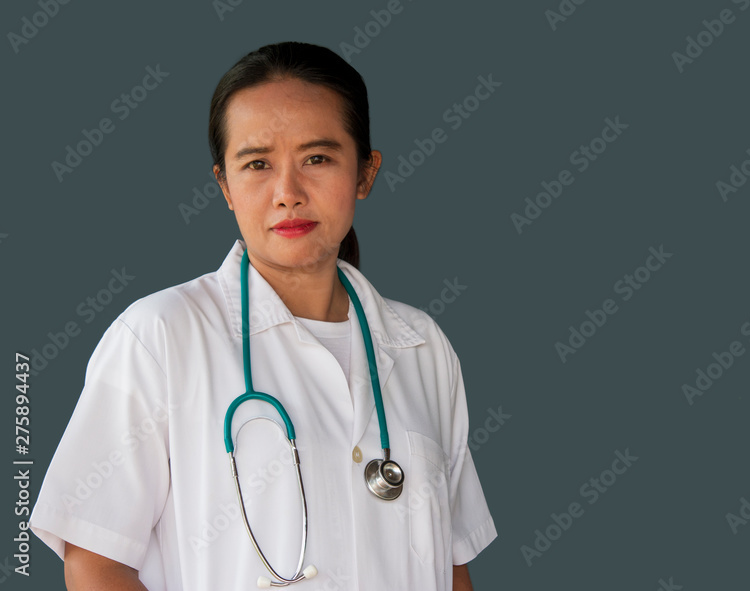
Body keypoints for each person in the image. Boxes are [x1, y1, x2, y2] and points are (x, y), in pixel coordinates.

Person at [29, 41, 497, 590]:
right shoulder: (160, 336)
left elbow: (451, 564)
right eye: (257, 164)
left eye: (317, 159)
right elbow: (95, 561)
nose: (287, 193)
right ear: (225, 186)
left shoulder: (422, 345)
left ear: (365, 174)